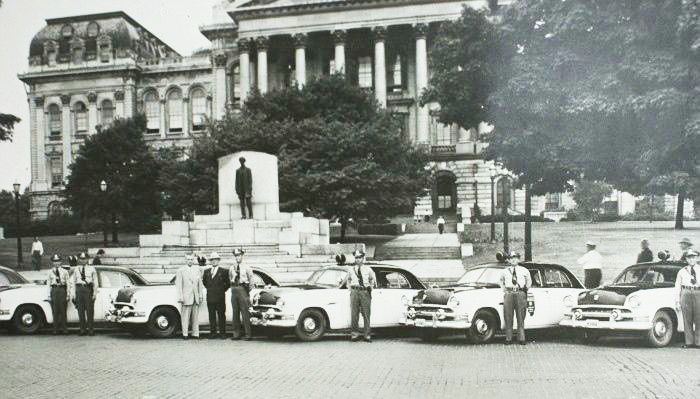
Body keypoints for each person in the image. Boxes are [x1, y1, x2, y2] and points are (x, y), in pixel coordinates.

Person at [499, 252, 532, 345]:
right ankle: (508, 338)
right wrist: (504, 290)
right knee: (508, 315)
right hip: (509, 293)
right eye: (511, 258)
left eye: (515, 258)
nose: (513, 260)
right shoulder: (505, 271)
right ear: (508, 260)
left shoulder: (524, 270)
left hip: (520, 293)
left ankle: (521, 338)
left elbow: (529, 280)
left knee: (521, 315)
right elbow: (501, 280)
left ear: (518, 259)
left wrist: (526, 288)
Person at [345, 249, 376, 342]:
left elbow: (372, 280)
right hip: (355, 291)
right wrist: (350, 288)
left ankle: (367, 335)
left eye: (360, 258)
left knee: (366, 314)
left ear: (363, 259)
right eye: (356, 258)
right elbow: (348, 280)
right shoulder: (351, 270)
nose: (358, 260)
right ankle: (354, 335)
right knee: (354, 314)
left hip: (364, 292)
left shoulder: (368, 269)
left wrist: (370, 288)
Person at [175, 254, 204, 340]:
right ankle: (185, 334)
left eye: (191, 259)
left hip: (195, 296)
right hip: (186, 296)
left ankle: (195, 333)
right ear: (185, 260)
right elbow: (179, 284)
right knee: (185, 316)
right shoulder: (181, 270)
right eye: (188, 259)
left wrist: (200, 295)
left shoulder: (197, 270)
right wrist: (180, 297)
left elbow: (200, 284)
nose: (190, 261)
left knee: (195, 316)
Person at [675, 249, 700, 348]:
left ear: (697, 258)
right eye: (689, 257)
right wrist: (677, 301)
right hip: (685, 293)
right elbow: (677, 286)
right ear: (686, 259)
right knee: (687, 318)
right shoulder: (682, 271)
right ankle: (689, 342)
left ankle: (699, 342)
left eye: (693, 257)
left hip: (698, 292)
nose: (691, 260)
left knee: (699, 317)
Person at [202, 252, 229, 339]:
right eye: (212, 260)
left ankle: (222, 333)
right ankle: (213, 333)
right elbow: (205, 283)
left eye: (215, 259)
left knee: (221, 315)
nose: (214, 261)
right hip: (210, 297)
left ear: (218, 260)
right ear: (210, 261)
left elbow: (228, 284)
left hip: (220, 297)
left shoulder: (224, 271)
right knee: (212, 316)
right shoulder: (206, 272)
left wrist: (221, 290)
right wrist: (211, 290)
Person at [229, 248, 253, 340]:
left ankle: (248, 334)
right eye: (236, 256)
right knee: (235, 313)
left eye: (239, 255)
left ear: (242, 256)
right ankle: (236, 334)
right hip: (234, 289)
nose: (237, 257)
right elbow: (230, 278)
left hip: (243, 289)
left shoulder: (247, 267)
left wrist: (248, 292)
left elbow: (251, 280)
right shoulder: (232, 268)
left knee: (245, 313)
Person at [72, 252, 97, 336]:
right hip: (79, 289)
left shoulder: (92, 269)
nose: (83, 260)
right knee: (80, 310)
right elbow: (73, 282)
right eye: (81, 259)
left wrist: (94, 293)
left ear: (87, 259)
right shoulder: (76, 269)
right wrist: (74, 294)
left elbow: (95, 282)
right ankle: (82, 329)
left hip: (88, 289)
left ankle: (91, 330)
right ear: (79, 260)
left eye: (85, 259)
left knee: (90, 310)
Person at [46, 254, 70, 335]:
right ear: (53, 262)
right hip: (54, 290)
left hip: (62, 290)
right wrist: (49, 295)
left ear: (61, 262)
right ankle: (55, 329)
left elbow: (68, 283)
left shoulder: (65, 271)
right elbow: (48, 284)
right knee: (55, 311)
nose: (56, 263)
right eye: (55, 261)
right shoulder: (50, 272)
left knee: (63, 310)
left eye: (58, 261)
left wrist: (68, 294)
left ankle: (64, 329)